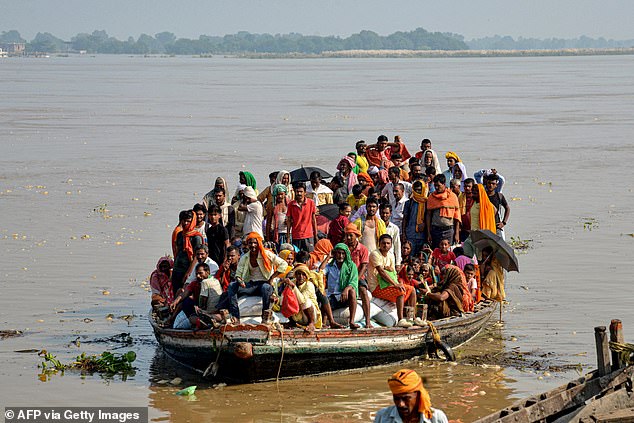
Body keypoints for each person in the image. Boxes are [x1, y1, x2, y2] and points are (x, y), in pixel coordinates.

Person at [225, 232, 289, 323]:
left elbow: (284, 264)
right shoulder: (245, 257)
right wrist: (240, 280)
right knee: (232, 286)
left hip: (265, 284)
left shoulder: (267, 254)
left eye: (255, 243)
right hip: (251, 285)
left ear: (259, 243)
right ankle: (236, 316)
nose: (253, 245)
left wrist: (272, 278)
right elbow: (238, 274)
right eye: (250, 243)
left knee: (265, 288)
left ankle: (265, 315)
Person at [368, 234, 415, 328]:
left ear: (391, 245)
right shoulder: (375, 254)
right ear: (379, 244)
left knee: (412, 290)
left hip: (388, 285)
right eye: (383, 243)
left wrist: (397, 283)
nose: (385, 245)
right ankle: (400, 319)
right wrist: (396, 284)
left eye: (388, 243)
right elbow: (381, 272)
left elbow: (393, 273)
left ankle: (412, 318)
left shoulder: (391, 255)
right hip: (377, 287)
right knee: (400, 291)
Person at [374, 369, 448, 423]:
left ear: (419, 395)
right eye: (396, 398)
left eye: (406, 398)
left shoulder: (437, 418)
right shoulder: (382, 416)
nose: (400, 404)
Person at [323, 243, 360, 329]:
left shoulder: (351, 266)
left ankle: (351, 321)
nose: (340, 256)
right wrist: (328, 257)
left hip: (345, 297)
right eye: (338, 253)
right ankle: (328, 323)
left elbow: (353, 282)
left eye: (343, 253)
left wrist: (346, 289)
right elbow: (320, 271)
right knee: (324, 299)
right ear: (335, 254)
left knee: (352, 291)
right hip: (333, 297)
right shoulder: (330, 266)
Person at [344, 223, 373, 328]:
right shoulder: (344, 247)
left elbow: (364, 266)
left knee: (364, 292)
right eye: (347, 235)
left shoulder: (363, 249)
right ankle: (351, 321)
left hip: (359, 276)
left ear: (356, 236)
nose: (348, 238)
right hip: (345, 277)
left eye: (351, 235)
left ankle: (368, 321)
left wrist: (355, 280)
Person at [281, 264, 322, 333]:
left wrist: (294, 287)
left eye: (303, 274)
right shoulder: (293, 282)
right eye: (298, 274)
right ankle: (292, 322)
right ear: (295, 275)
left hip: (310, 315)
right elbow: (284, 295)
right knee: (286, 299)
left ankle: (311, 324)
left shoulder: (309, 285)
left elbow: (302, 300)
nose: (301, 277)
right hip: (297, 315)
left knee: (306, 302)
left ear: (307, 276)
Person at [172, 210, 203, 295]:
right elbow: (178, 252)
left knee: (185, 292)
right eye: (184, 220)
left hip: (187, 269)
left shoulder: (196, 237)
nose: (185, 223)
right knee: (176, 291)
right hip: (177, 268)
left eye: (188, 221)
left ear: (192, 222)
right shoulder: (179, 235)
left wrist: (189, 272)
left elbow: (197, 256)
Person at [425, 174, 461, 248]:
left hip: (449, 230)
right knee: (436, 252)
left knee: (448, 253)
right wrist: (429, 233)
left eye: (438, 185)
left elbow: (457, 217)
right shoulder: (432, 197)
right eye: (435, 186)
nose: (437, 188)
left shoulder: (452, 196)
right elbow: (428, 215)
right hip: (435, 230)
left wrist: (457, 233)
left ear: (444, 184)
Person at [287, 181, 318, 252]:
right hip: (296, 236)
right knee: (296, 256)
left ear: (305, 192)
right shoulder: (291, 205)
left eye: (301, 191)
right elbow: (289, 221)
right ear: (294, 192)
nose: (299, 194)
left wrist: (315, 235)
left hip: (308, 235)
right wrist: (288, 237)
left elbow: (313, 220)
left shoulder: (311, 203)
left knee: (310, 256)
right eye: (297, 192)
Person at [402, 180, 428, 258]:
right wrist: (403, 234)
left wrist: (425, 224)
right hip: (410, 234)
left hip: (423, 235)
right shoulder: (408, 203)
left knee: (421, 257)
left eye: (419, 190)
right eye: (416, 190)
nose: (417, 192)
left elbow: (429, 218)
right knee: (410, 257)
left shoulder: (427, 203)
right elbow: (405, 219)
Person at [484, 173, 510, 239]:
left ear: (496, 185)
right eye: (489, 183)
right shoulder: (483, 196)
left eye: (493, 184)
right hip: (485, 225)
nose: (490, 185)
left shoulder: (499, 196)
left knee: (499, 246)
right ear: (486, 183)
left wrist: (503, 223)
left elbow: (507, 208)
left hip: (496, 225)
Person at [380, 203, 402, 270]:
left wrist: (398, 263)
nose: (384, 215)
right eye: (383, 213)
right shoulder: (376, 226)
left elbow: (397, 245)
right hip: (378, 258)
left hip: (390, 258)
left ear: (390, 213)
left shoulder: (394, 228)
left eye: (387, 213)